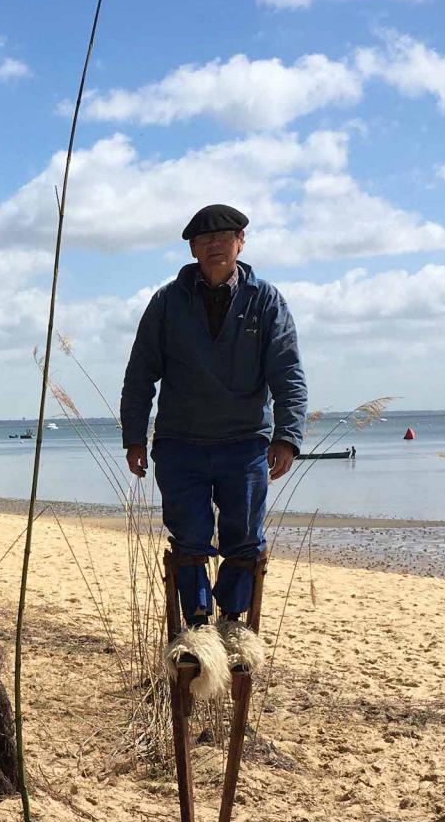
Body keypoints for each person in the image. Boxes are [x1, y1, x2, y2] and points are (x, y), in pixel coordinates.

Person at [120, 204, 307, 641]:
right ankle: (198, 624)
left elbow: (288, 372)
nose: (214, 245)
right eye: (205, 240)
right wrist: (134, 437)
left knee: (243, 538)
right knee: (189, 540)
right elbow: (140, 372)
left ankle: (234, 621)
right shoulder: (167, 302)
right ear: (192, 248)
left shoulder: (266, 301)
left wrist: (288, 436)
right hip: (179, 443)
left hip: (244, 443)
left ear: (241, 242)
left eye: (224, 237)